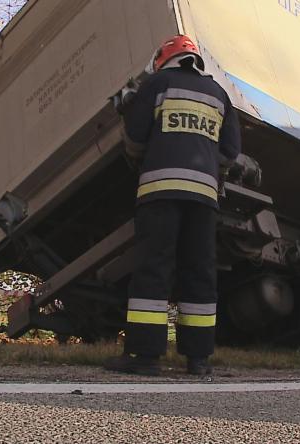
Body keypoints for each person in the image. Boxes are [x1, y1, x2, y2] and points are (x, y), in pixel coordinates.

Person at [105, 35, 241, 375]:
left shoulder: (156, 84)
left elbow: (135, 138)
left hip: (160, 192)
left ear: (164, 59)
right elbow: (230, 151)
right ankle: (198, 359)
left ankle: (145, 356)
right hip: (204, 199)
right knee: (199, 272)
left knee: (155, 268)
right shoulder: (219, 95)